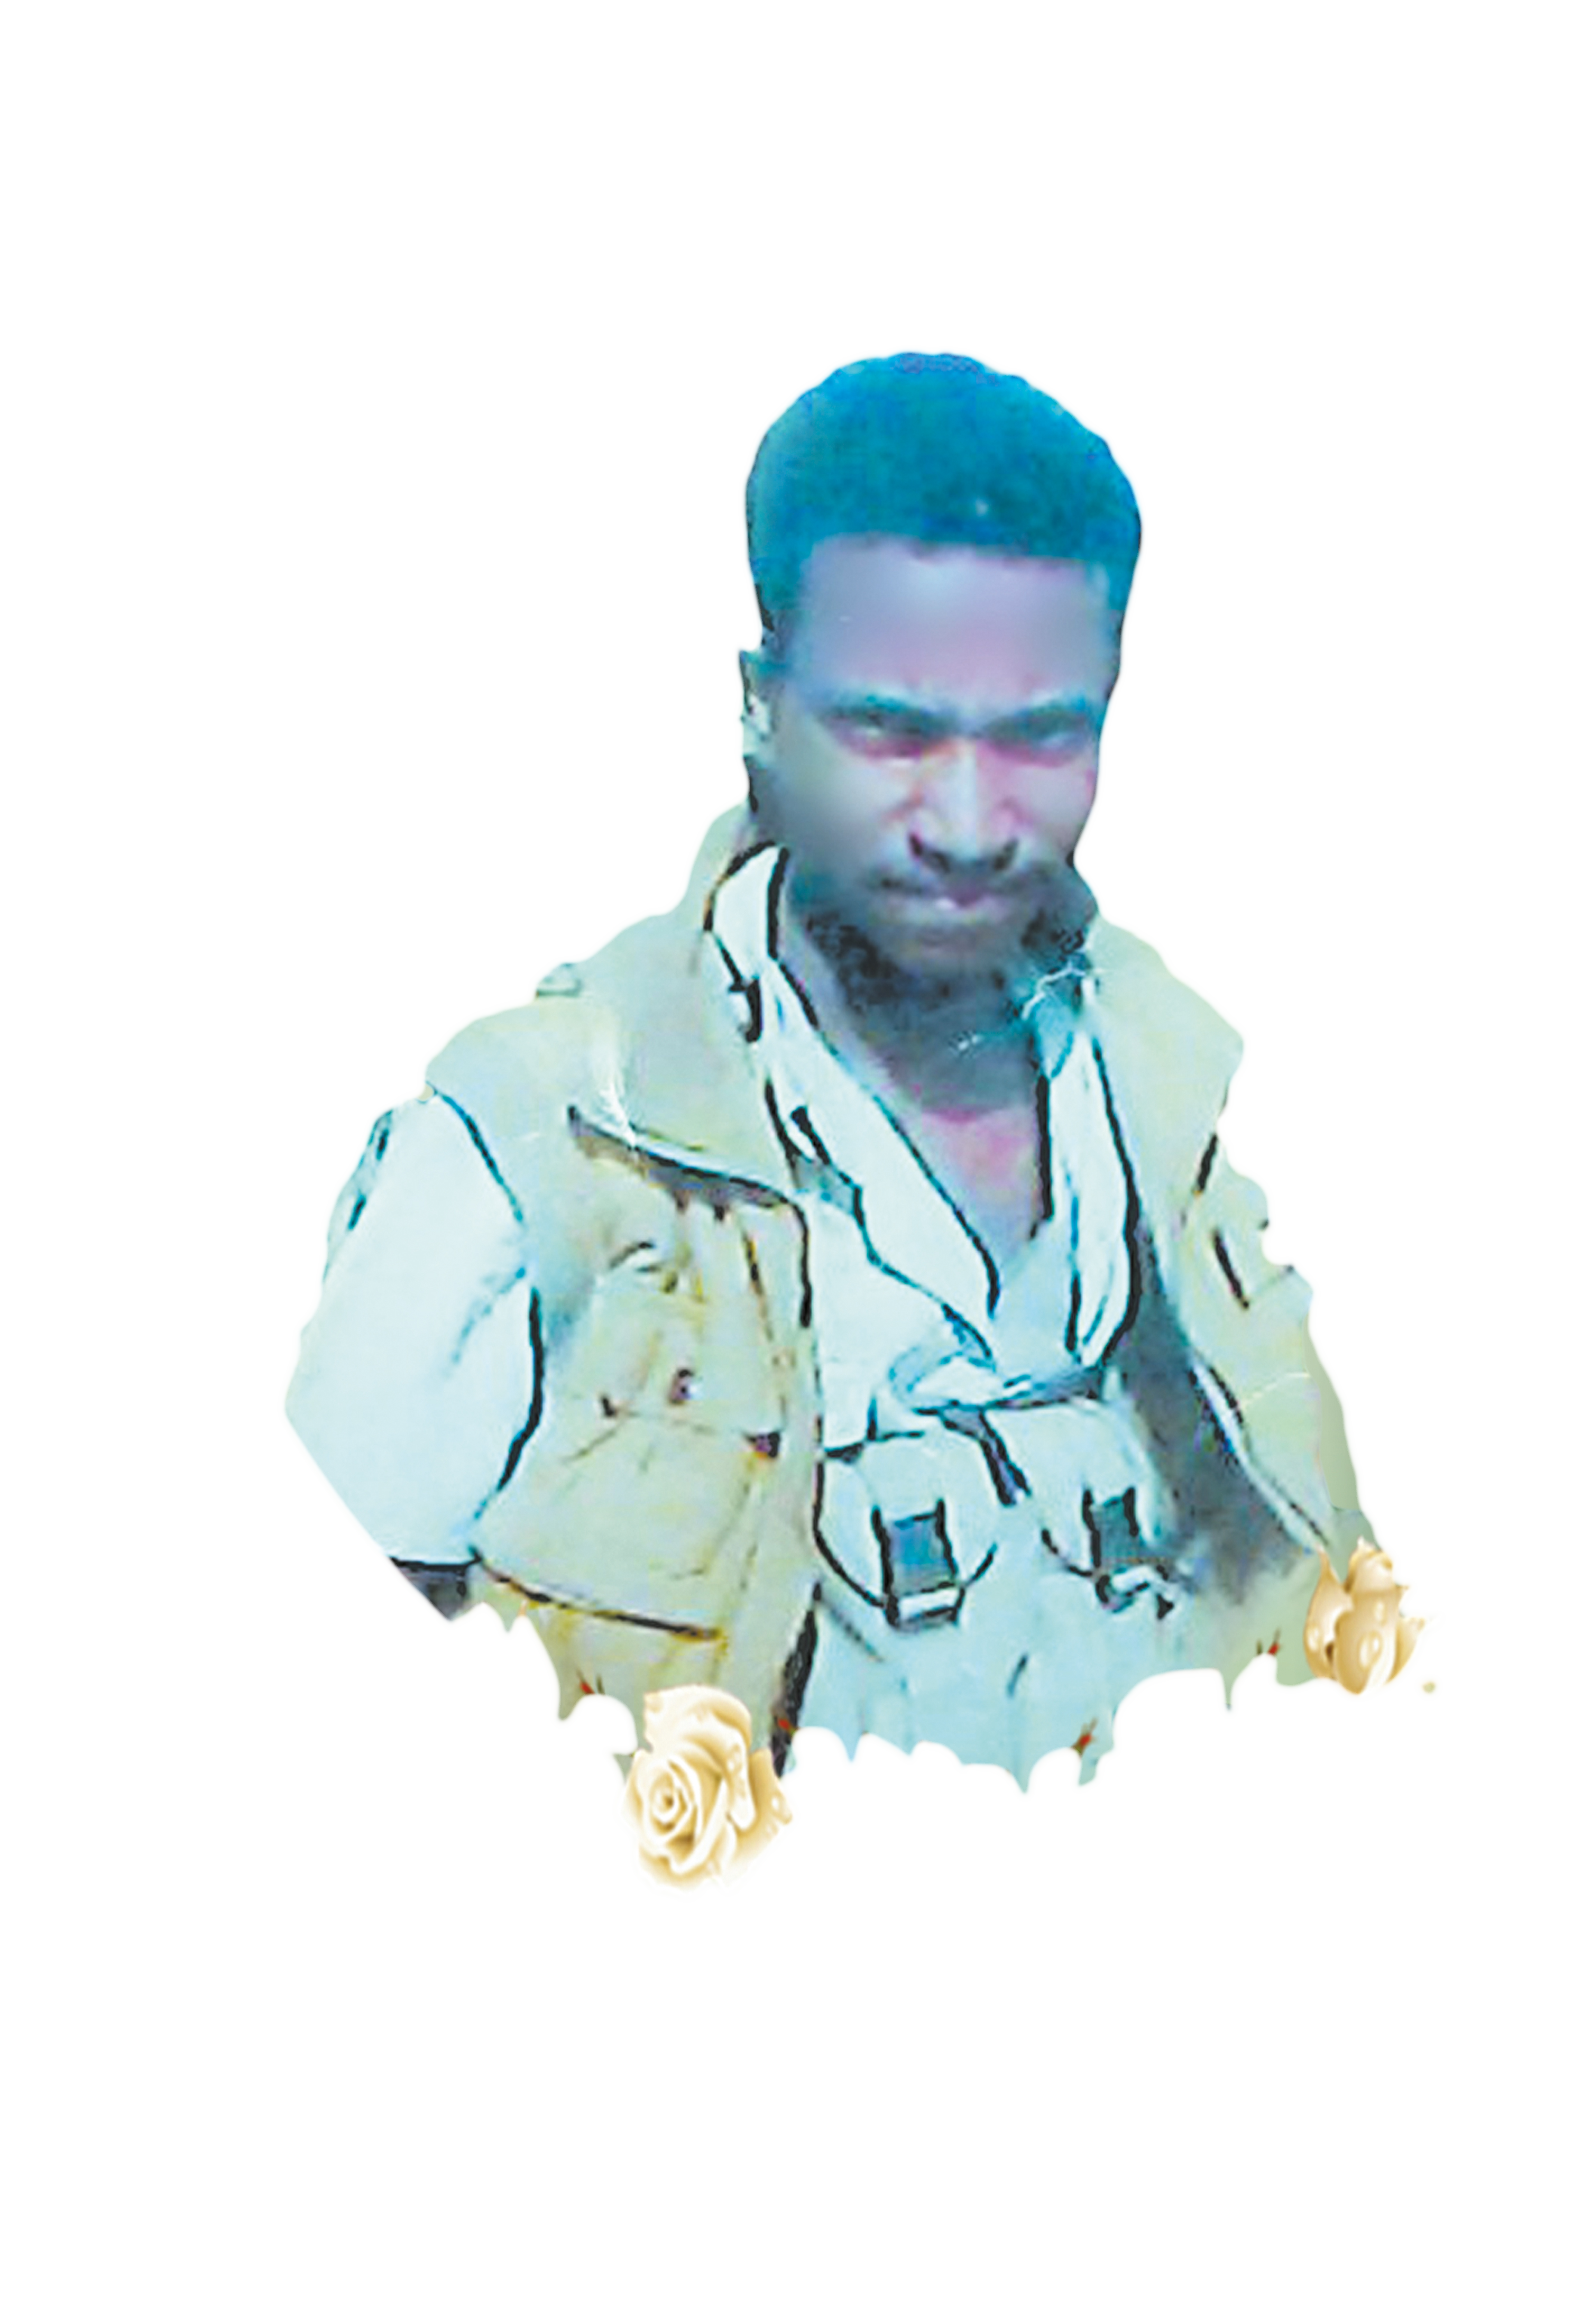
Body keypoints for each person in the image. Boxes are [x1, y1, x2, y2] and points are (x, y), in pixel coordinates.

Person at [280, 348, 1332, 1795]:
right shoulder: (527, 1141)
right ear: (758, 704)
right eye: (891, 727)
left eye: (1044, 734)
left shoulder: (1164, 1079)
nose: (970, 824)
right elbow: (334, 1630)